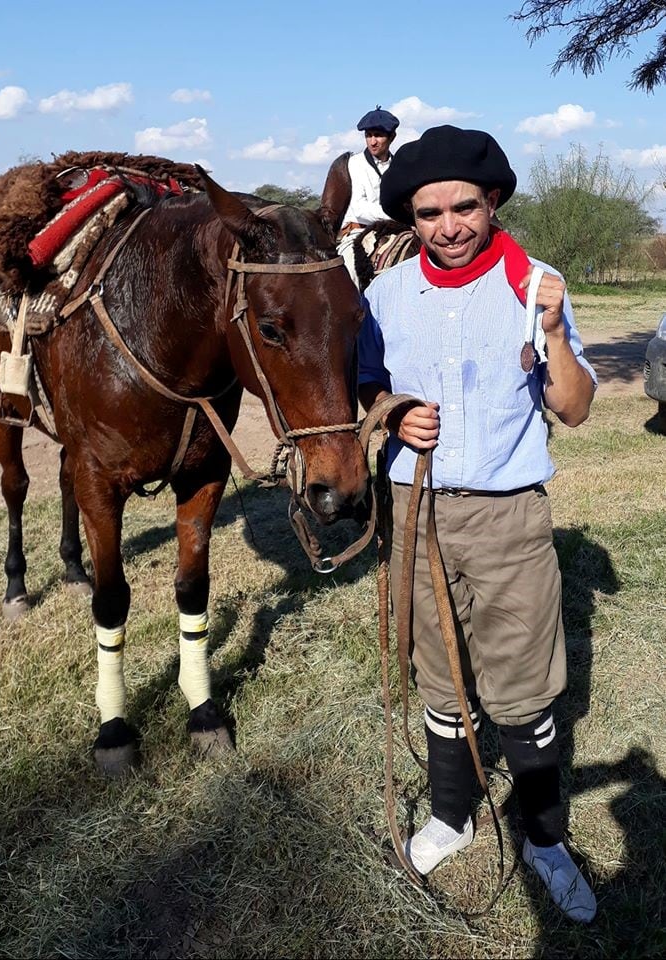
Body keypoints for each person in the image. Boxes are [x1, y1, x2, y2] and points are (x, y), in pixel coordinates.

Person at [357, 125, 598, 923]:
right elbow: (362, 391)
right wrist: (391, 415)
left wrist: (556, 333)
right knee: (437, 671)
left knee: (523, 686)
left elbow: (575, 406)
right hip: (414, 510)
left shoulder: (536, 284)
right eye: (429, 213)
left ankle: (543, 838)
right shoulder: (383, 296)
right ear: (410, 218)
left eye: (464, 206)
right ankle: (451, 817)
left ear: (491, 202)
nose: (448, 225)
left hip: (507, 515)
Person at [337, 106, 399, 282]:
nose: (373, 142)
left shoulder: (399, 166)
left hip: (395, 230)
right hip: (358, 231)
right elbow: (360, 208)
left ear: (392, 137)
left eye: (378, 135)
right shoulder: (354, 164)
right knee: (352, 271)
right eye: (369, 135)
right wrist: (397, 216)